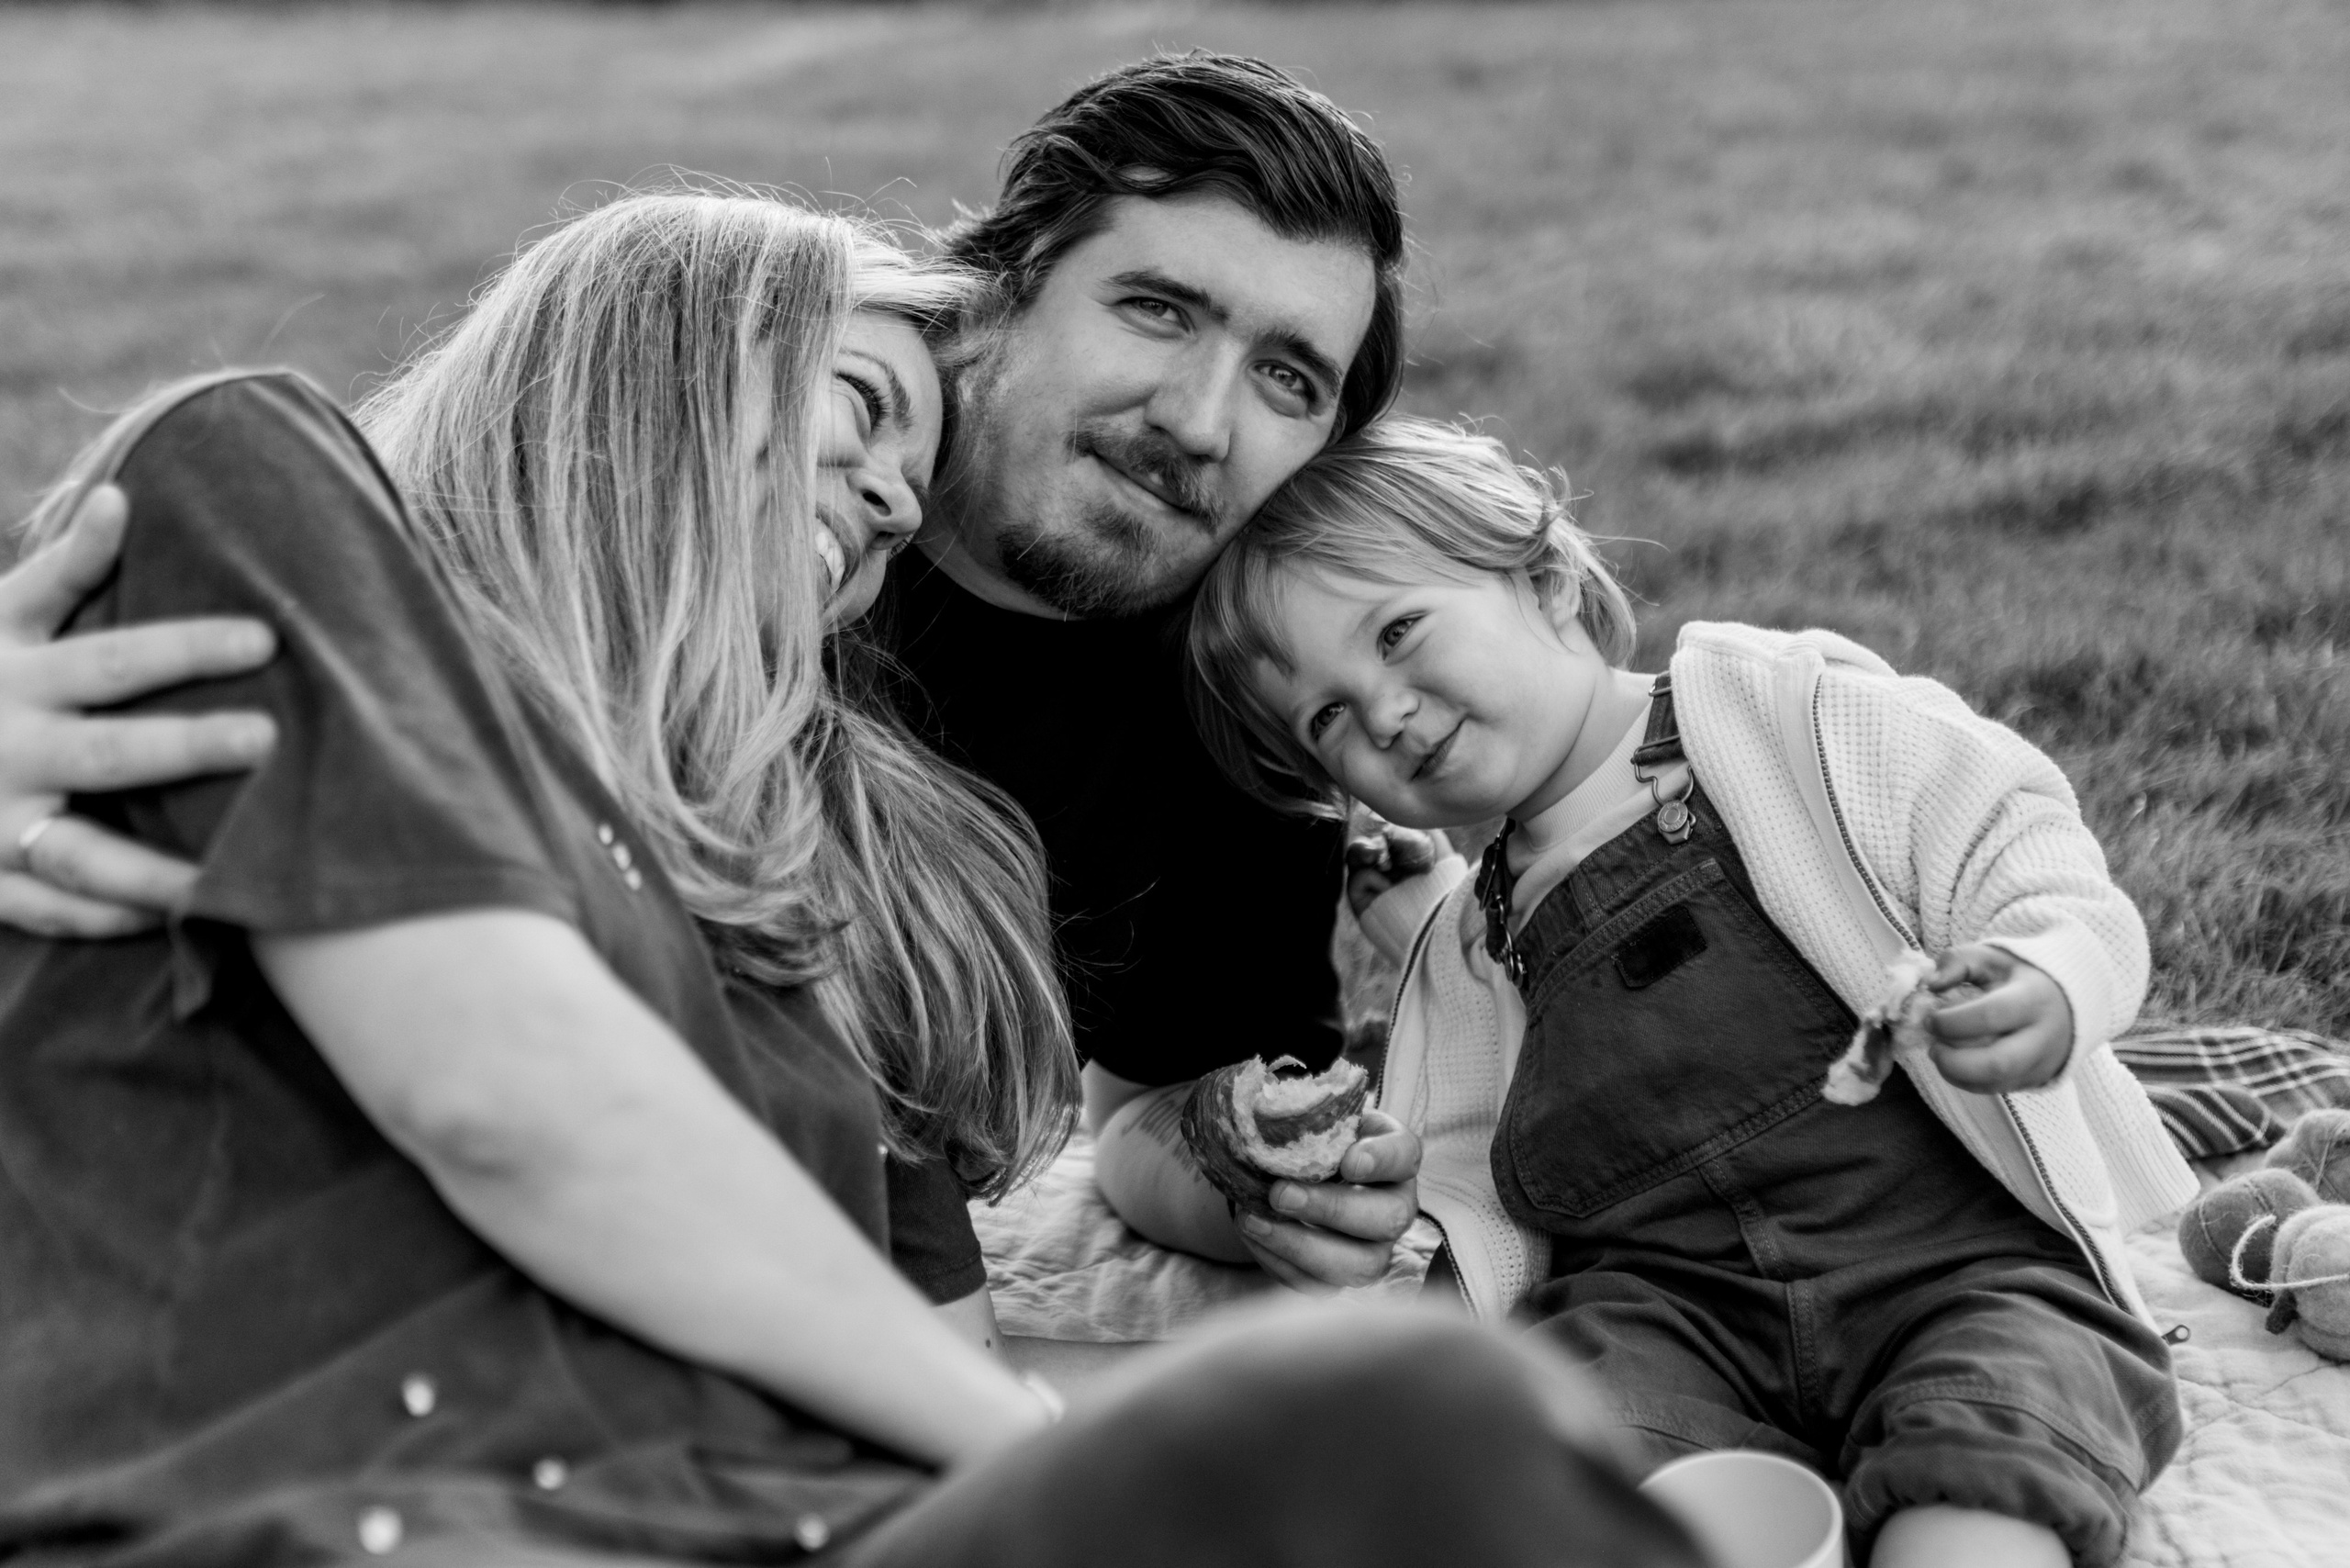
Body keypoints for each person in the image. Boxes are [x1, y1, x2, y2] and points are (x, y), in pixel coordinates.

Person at [0, 197, 1701, 1567]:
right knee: (1418, 1413)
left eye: (901, 493)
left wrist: (1251, 1428)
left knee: (1429, 1425)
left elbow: (945, 1360)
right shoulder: (272, 498)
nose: (890, 497)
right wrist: (1048, 1449)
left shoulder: (801, 900)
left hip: (777, 1518)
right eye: (865, 408)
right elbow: (513, 1105)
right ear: (656, 351)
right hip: (342, 1511)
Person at [0, 51, 1431, 1294]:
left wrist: (1256, 1179)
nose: (1199, 419)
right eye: (1159, 309)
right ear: (1000, 287)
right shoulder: (738, 453)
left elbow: (1146, 1114)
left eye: (1287, 378)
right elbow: (392, 556)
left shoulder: (1242, 713)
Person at [1183, 416, 2198, 1568]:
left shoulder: (1787, 712)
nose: (1384, 712)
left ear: (1544, 577)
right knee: (1526, 1459)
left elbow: (2017, 845)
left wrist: (2049, 971)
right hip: (1670, 1310)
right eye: (1327, 717)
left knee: (1989, 1460)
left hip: (1957, 1266)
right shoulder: (1477, 936)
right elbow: (1475, 1148)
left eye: (1399, 631)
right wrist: (1385, 1198)